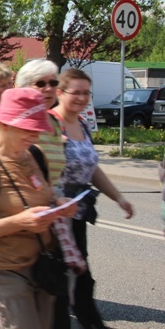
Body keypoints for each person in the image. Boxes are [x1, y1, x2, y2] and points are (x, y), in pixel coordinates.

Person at [0, 87, 77, 329]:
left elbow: (44, 194)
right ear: (6, 124)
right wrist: (20, 222)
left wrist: (58, 205)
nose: (34, 134)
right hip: (0, 271)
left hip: (39, 266)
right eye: (28, 128)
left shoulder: (34, 155)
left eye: (37, 128)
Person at [51, 68, 134, 329]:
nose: (82, 98)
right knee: (68, 282)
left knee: (76, 279)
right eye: (76, 92)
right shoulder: (51, 124)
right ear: (60, 93)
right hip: (54, 216)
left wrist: (119, 198)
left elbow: (93, 168)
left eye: (86, 93)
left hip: (78, 213)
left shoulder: (82, 124)